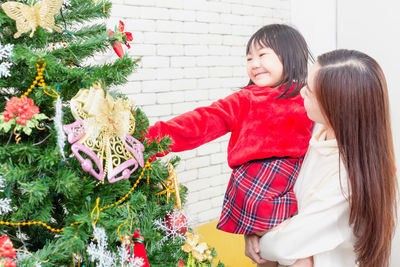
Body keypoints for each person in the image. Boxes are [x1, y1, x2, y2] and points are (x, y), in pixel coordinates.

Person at [145, 24, 313, 236]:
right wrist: (148, 138)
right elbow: (200, 123)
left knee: (291, 251)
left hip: (297, 188)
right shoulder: (245, 100)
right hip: (258, 189)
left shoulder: (308, 98)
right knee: (277, 250)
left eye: (262, 55)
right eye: (249, 58)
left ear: (290, 56)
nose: (254, 64)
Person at [244, 49, 398, 267]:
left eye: (310, 90)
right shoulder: (317, 131)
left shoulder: (347, 179)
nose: (302, 92)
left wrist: (260, 235)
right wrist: (254, 232)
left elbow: (280, 247)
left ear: (336, 107)